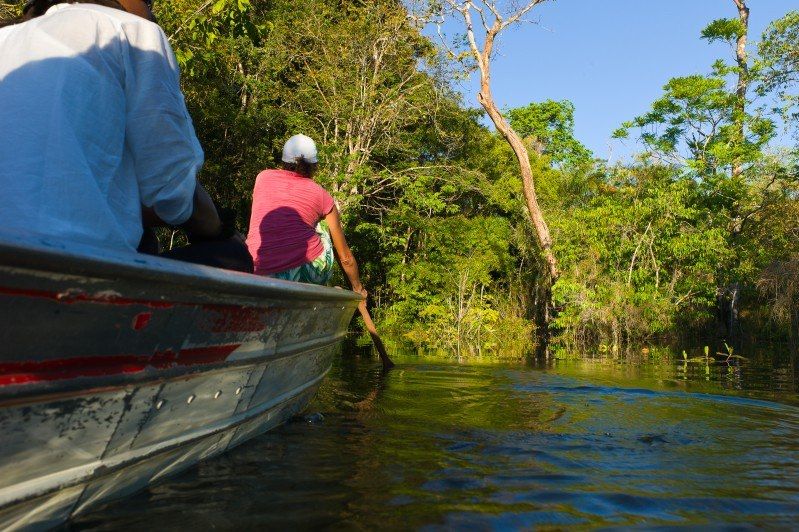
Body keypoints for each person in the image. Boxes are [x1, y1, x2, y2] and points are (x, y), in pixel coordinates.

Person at [0, 0, 252, 272]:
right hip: (75, 264)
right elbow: (172, 191)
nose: (153, 14)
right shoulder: (133, 32)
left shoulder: (7, 36)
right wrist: (218, 228)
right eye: (149, 3)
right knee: (233, 256)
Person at [246, 134, 367, 298]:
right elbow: (345, 258)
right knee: (322, 226)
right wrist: (358, 288)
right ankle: (320, 282)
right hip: (298, 271)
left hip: (254, 266)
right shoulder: (322, 195)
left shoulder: (262, 178)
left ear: (283, 161)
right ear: (314, 166)